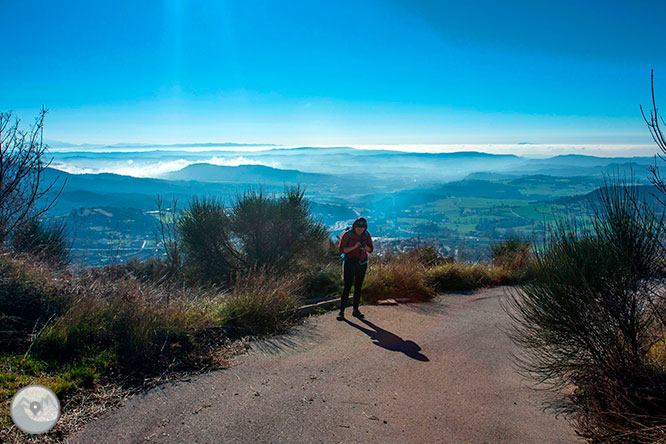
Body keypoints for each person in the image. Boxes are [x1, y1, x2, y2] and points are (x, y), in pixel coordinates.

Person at [337, 217, 373, 320]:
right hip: (349, 263)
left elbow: (371, 249)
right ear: (354, 226)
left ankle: (355, 310)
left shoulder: (366, 235)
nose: (360, 229)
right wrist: (355, 246)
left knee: (358, 287)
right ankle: (341, 312)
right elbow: (341, 250)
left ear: (365, 228)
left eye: (362, 228)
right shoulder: (347, 235)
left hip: (362, 263)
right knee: (347, 287)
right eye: (358, 227)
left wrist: (365, 247)